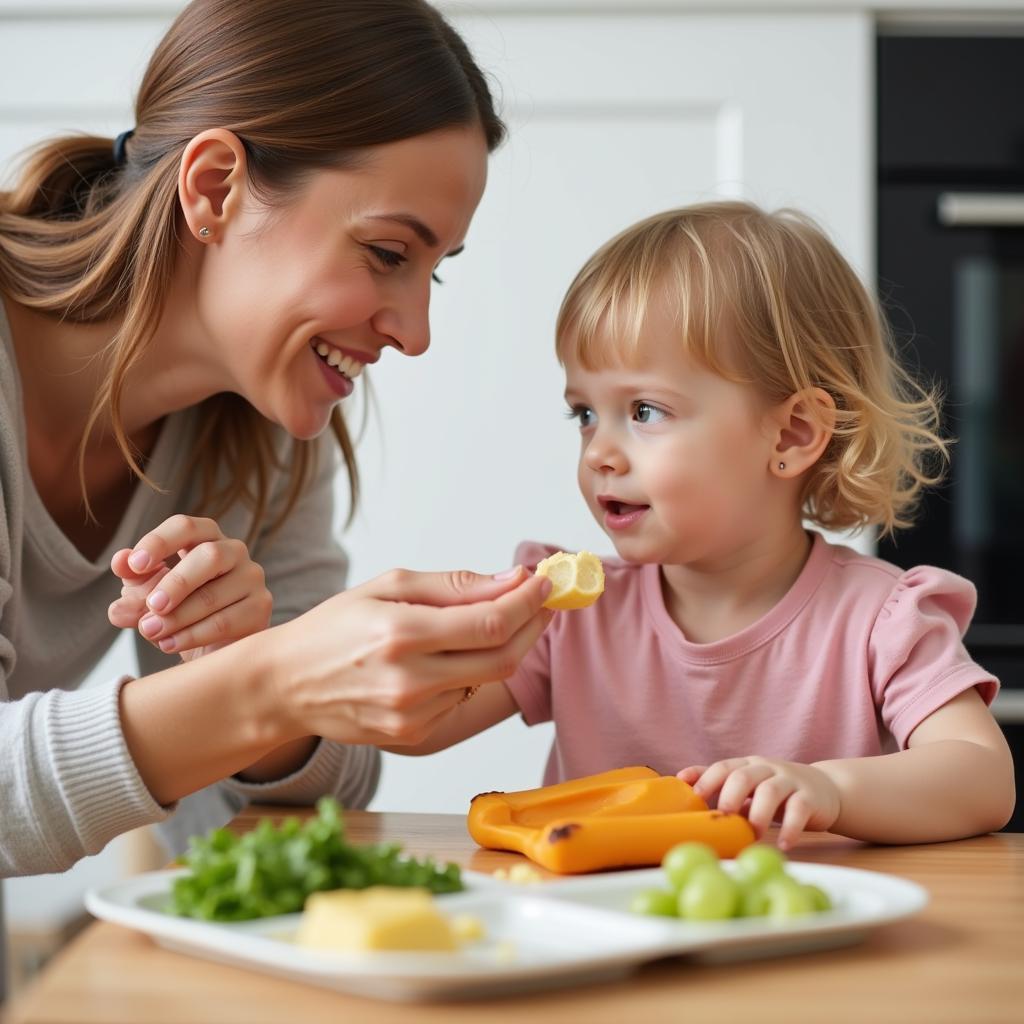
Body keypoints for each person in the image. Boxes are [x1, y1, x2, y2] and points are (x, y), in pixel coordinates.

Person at [0, 0, 555, 958]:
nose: (414, 333)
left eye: (435, 272)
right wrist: (269, 685)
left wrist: (258, 685)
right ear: (214, 187)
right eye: (388, 254)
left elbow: (306, 807)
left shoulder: (264, 428)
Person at [387, 201, 1016, 849]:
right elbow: (412, 726)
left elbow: (983, 778)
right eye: (584, 414)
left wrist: (832, 790)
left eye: (644, 410)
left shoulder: (880, 620)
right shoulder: (571, 616)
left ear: (794, 433)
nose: (599, 450)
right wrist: (390, 645)